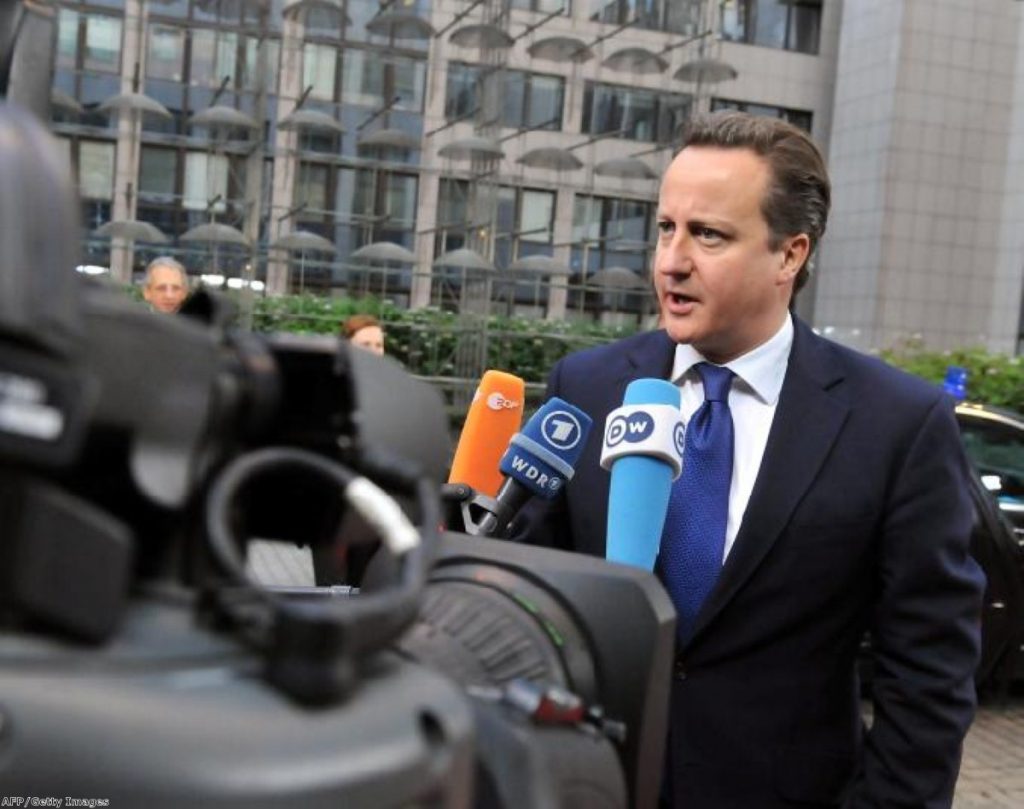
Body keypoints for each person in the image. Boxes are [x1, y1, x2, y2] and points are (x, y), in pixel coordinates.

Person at [516, 111, 984, 808]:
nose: (673, 260)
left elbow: (929, 678)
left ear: (789, 255)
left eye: (709, 234)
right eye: (666, 228)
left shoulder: (897, 424)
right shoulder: (585, 386)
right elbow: (528, 600)